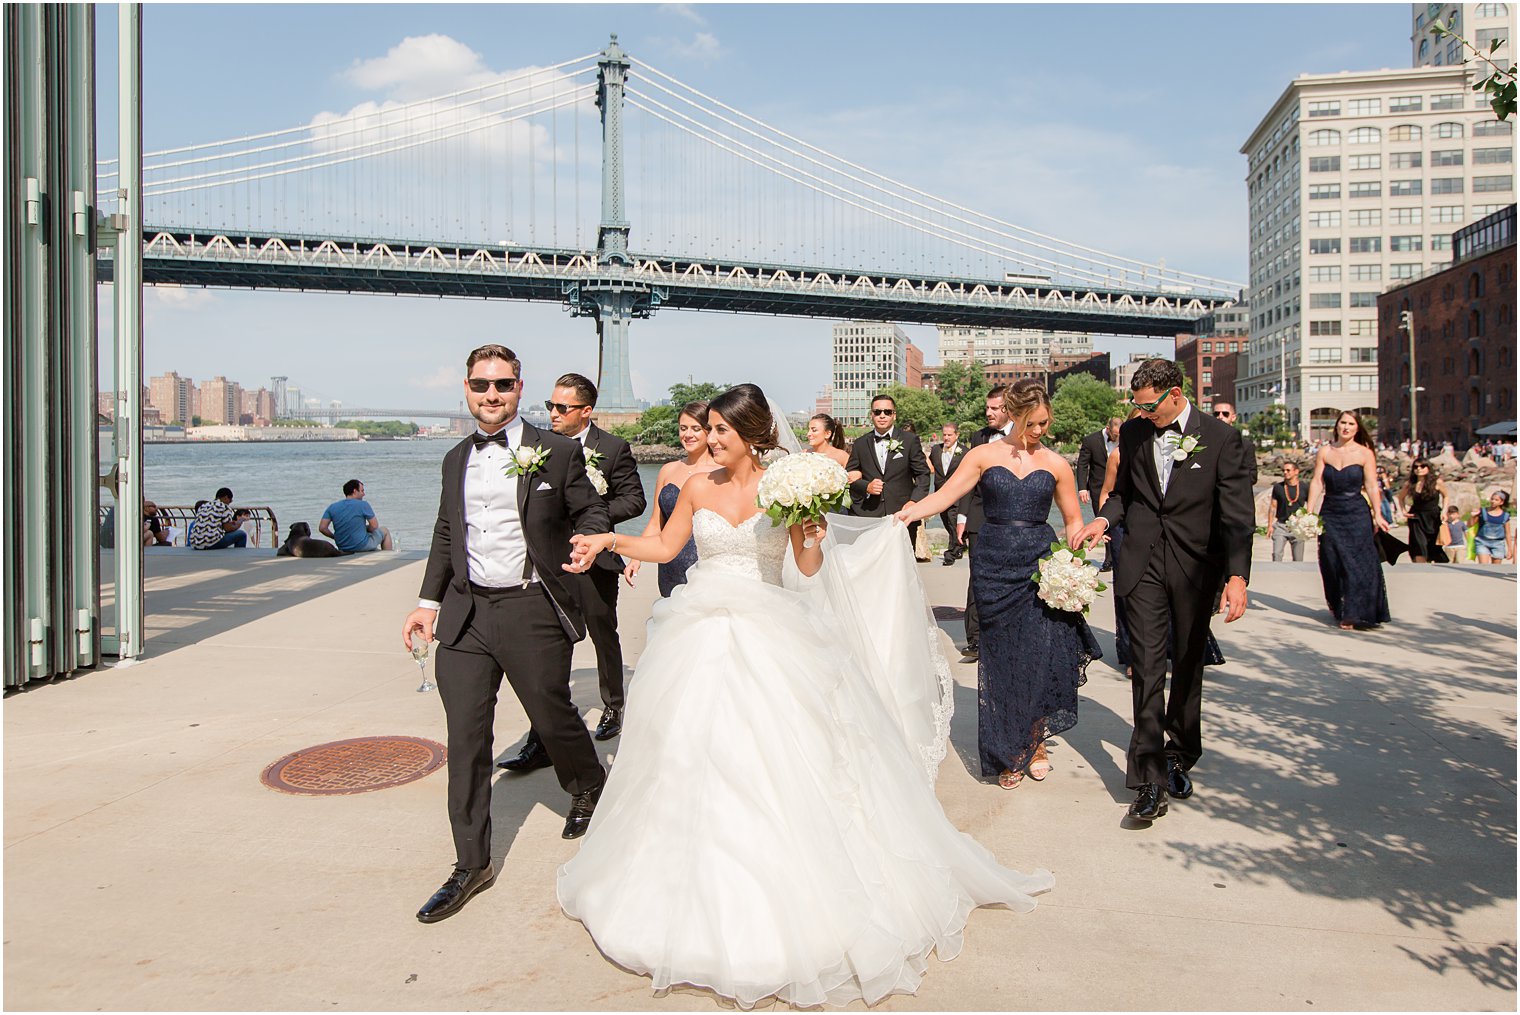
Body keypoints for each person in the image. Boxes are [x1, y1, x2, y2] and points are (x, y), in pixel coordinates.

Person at [556, 383, 1052, 1008]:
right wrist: (610, 541)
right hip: (700, 627)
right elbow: (666, 546)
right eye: (708, 429)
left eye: (722, 432)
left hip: (767, 625)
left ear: (755, 435)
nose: (710, 441)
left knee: (774, 756)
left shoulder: (784, 486)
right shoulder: (698, 484)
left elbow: (809, 570)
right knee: (686, 750)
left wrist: (813, 536)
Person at [400, 344, 610, 925]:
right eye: (480, 385)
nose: (491, 395)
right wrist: (426, 602)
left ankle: (587, 780)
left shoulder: (558, 451)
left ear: (520, 389)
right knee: (466, 739)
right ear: (466, 390)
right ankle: (471, 864)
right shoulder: (452, 459)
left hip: (530, 608)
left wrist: (591, 541)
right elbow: (448, 532)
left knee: (551, 713)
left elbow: (591, 510)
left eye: (502, 385)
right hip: (466, 616)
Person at [1074, 359, 1254, 823]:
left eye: (1150, 406)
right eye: (1137, 406)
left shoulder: (1222, 437)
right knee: (1147, 668)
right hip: (1142, 563)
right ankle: (1149, 779)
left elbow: (1237, 515)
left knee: (1188, 665)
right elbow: (1124, 496)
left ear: (1176, 394)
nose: (1143, 414)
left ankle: (1180, 752)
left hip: (1196, 568)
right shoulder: (1134, 433)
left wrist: (1237, 577)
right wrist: (1102, 518)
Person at [897, 379, 1099, 789]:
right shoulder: (982, 455)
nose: (1041, 431)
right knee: (1002, 657)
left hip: (1040, 566)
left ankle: (1035, 741)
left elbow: (1072, 519)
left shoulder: (1057, 463)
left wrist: (1080, 541)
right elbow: (947, 495)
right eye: (1034, 423)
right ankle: (1009, 749)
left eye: (1046, 423)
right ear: (1014, 414)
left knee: (1038, 657)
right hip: (993, 563)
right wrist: (907, 514)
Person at [499, 372, 646, 759]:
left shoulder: (612, 448)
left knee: (602, 631)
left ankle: (613, 703)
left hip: (594, 560)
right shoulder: (533, 448)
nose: (553, 414)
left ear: (586, 411)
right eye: (550, 406)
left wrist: (590, 513)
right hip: (546, 562)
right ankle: (541, 733)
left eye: (562, 408)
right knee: (547, 643)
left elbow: (634, 500)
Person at [1099, 427, 1226, 678]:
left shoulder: (1179, 448)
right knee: (1130, 596)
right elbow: (1112, 493)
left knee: (1170, 601)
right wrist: (1103, 521)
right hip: (1125, 529)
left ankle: (1175, 651)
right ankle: (1136, 656)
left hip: (1169, 537)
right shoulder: (1119, 455)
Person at [1307, 410, 1391, 631]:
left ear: (1357, 428)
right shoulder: (1325, 451)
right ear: (1336, 426)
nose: (1346, 427)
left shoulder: (1365, 453)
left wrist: (1378, 514)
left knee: (1356, 563)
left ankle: (1355, 612)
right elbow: (1317, 482)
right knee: (1330, 560)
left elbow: (1372, 485)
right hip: (1330, 512)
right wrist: (1308, 511)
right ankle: (1339, 606)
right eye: (1342, 423)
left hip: (1356, 512)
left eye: (1351, 424)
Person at [624, 401, 718, 597]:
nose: (688, 435)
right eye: (683, 428)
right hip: (669, 566)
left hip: (707, 565)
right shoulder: (668, 470)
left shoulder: (721, 472)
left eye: (696, 429)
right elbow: (656, 523)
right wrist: (636, 557)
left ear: (708, 431)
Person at [954, 386, 1013, 661]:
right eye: (987, 407)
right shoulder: (978, 437)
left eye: (994, 408)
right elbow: (967, 481)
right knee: (977, 577)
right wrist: (962, 516)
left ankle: (1006, 634)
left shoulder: (1023, 435)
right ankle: (975, 640)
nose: (988, 412)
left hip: (1011, 517)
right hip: (979, 515)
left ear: (1009, 407)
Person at [845, 394, 930, 547]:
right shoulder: (860, 444)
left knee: (901, 566)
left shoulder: (910, 440)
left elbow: (923, 475)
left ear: (894, 415)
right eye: (877, 412)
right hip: (869, 516)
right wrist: (867, 487)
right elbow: (849, 478)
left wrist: (913, 502)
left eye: (887, 412)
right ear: (871, 415)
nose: (882, 415)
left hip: (902, 515)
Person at [319, 479, 393, 553]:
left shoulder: (332, 507)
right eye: (362, 491)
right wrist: (366, 530)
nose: (364, 494)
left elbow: (322, 528)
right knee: (384, 530)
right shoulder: (363, 504)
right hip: (362, 545)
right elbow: (374, 526)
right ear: (355, 491)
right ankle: (389, 556)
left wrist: (334, 537)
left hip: (343, 547)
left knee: (363, 529)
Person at [930, 421, 967, 563]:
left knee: (952, 521)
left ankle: (950, 554)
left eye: (949, 435)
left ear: (956, 435)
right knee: (946, 521)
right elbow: (929, 465)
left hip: (957, 494)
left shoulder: (964, 452)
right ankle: (959, 545)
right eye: (944, 434)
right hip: (940, 494)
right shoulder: (936, 450)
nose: (946, 438)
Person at [1399, 459, 1448, 563]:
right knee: (1418, 544)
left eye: (1422, 466)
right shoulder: (1410, 483)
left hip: (1433, 516)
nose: (1419, 469)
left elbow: (1446, 496)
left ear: (1428, 468)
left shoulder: (1437, 482)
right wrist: (1403, 511)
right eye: (1416, 467)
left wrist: (1444, 511)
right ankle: (1420, 569)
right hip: (1416, 517)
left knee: (1433, 545)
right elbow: (1400, 497)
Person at [1267, 460, 1308, 562]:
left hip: (1298, 526)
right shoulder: (1278, 487)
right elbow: (1272, 507)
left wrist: (1309, 525)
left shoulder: (1305, 487)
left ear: (1296, 471)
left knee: (1298, 559)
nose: (1285, 472)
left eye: (1288, 470)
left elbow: (1311, 505)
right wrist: (1270, 525)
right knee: (1277, 554)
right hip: (1281, 525)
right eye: (1284, 470)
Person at [1210, 402, 1258, 485]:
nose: (1220, 417)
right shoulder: (1206, 442)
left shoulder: (1246, 445)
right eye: (1216, 414)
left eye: (1225, 414)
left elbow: (1252, 477)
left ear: (1233, 417)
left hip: (1233, 494)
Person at [1471, 490, 1515, 564]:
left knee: (1495, 569)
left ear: (1501, 502)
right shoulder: (1482, 511)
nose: (1493, 501)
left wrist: (1510, 549)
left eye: (1496, 500)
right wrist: (1472, 516)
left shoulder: (1505, 516)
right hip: (1482, 542)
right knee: (1483, 567)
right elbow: (1470, 525)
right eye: (1492, 499)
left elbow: (1507, 533)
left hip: (1498, 543)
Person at [276, 521, 345, 558]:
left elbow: (280, 552)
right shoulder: (300, 540)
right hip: (326, 548)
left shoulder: (291, 541)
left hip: (324, 549)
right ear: (305, 530)